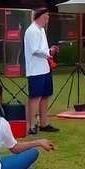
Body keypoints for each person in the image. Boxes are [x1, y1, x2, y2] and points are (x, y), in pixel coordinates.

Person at [24, 8, 59, 136]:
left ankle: (44, 123)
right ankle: (31, 125)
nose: (47, 19)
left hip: (44, 68)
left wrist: (50, 50)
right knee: (35, 97)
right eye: (46, 16)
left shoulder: (41, 30)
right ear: (39, 17)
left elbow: (42, 49)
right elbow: (35, 50)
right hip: (35, 70)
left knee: (45, 95)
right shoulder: (32, 30)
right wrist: (49, 52)